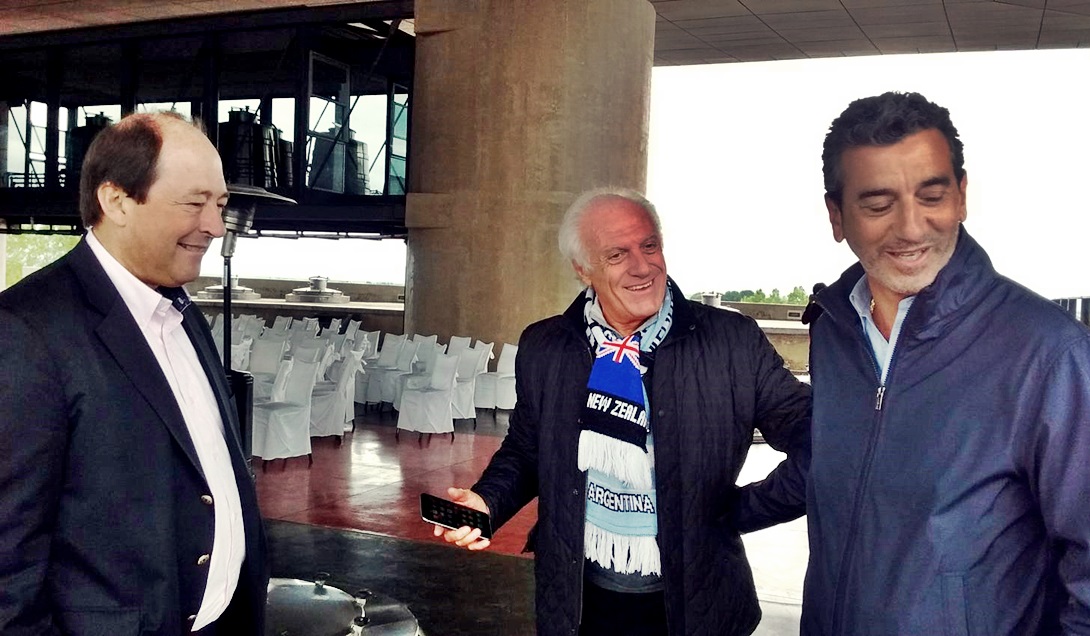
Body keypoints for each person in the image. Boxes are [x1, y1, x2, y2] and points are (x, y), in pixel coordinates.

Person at [433, 188, 812, 636]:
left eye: (649, 246)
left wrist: (737, 512)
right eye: (616, 254)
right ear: (583, 270)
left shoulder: (733, 341)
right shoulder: (546, 345)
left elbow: (819, 442)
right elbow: (527, 450)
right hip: (578, 600)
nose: (641, 266)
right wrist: (487, 502)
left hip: (699, 604)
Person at [802, 91, 1090, 635]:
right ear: (836, 215)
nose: (911, 228)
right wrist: (711, 512)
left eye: (932, 196)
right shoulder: (834, 330)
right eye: (879, 204)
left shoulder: (1051, 355)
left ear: (961, 195)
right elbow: (829, 462)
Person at [0, 112, 268, 635]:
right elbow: (7, 559)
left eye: (220, 205)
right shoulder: (27, 331)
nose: (214, 225)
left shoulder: (183, 314)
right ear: (117, 200)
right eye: (194, 203)